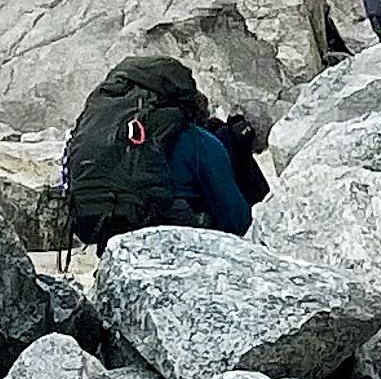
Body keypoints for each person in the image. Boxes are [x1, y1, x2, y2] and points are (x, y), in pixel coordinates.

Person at [62, 50, 267, 242]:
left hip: (108, 239)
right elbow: (239, 223)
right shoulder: (199, 141)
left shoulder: (104, 134)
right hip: (180, 250)